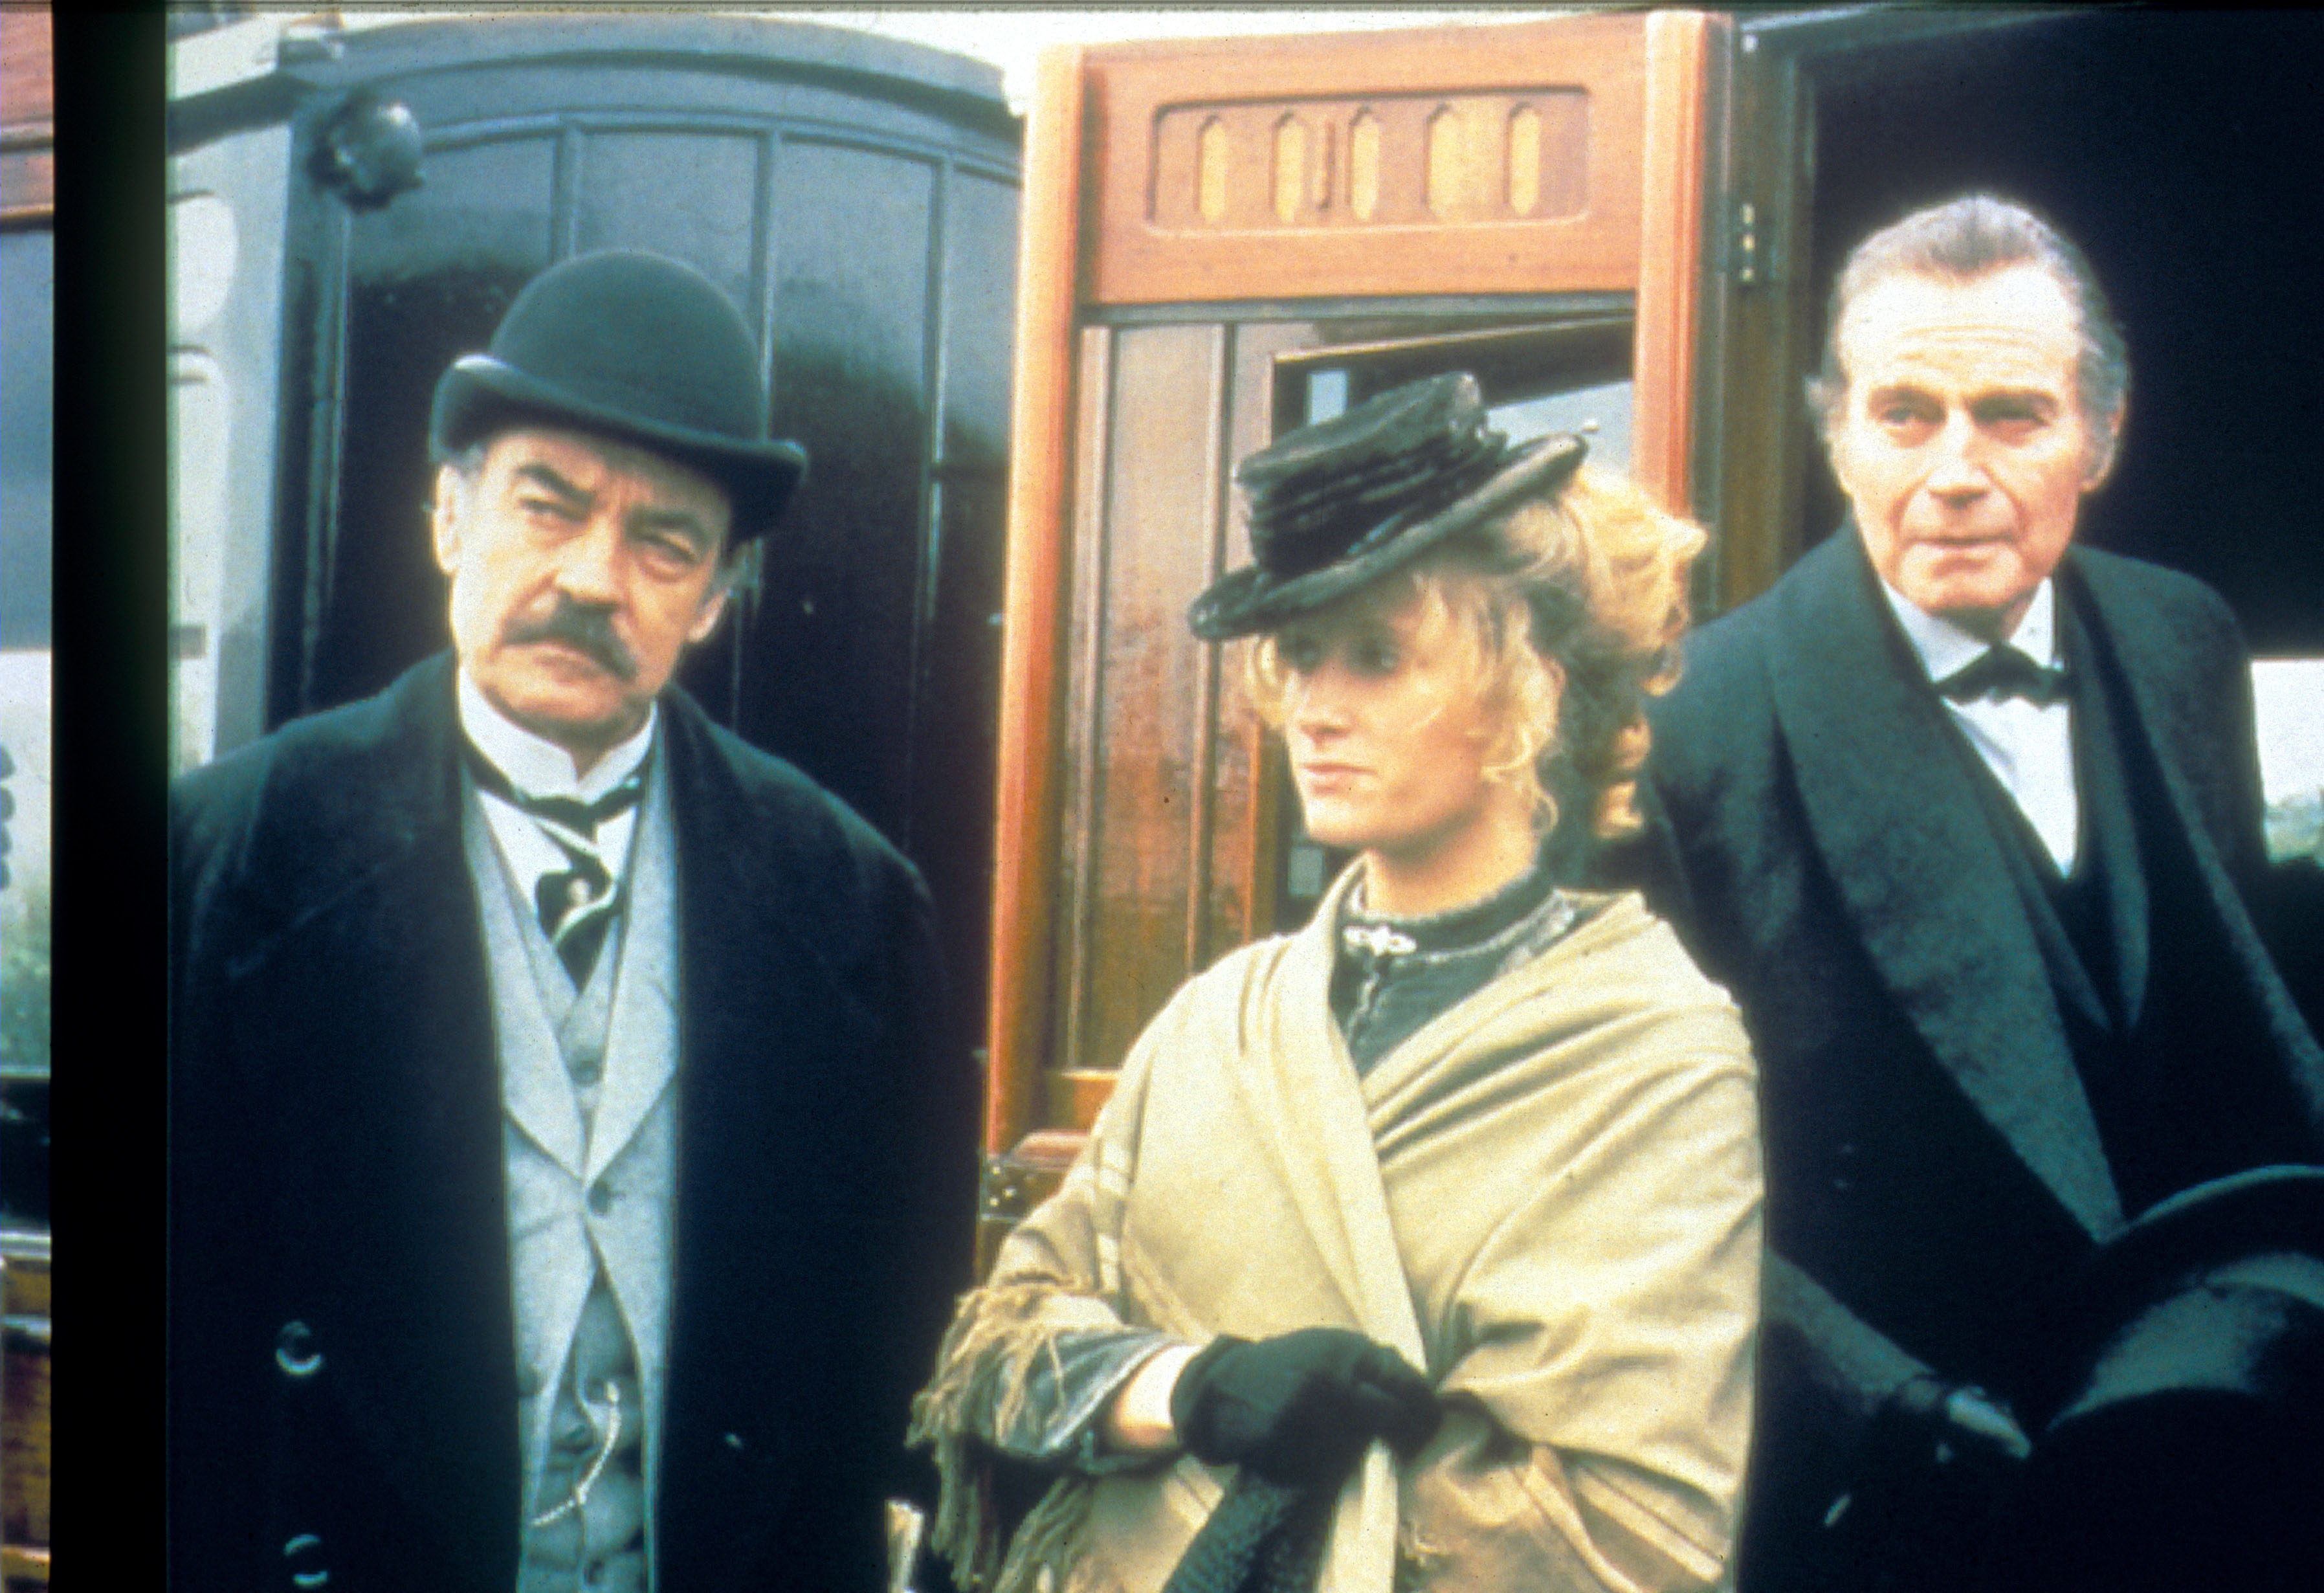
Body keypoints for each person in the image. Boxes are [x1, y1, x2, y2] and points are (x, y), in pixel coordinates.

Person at [169, 251, 979, 1592]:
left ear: (714, 596)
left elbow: (895, 1370)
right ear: (448, 519)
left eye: (662, 541)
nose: (594, 578)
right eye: (546, 507)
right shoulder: (224, 852)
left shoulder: (852, 901)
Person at [911, 373, 1762, 1593]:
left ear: (1530, 689)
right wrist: (1190, 1390)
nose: (1316, 707)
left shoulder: (1653, 1055)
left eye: (1378, 655)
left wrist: (1253, 1503)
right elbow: (997, 1346)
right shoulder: (1222, 1017)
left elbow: (1623, 1533)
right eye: (1303, 656)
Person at [1615, 194, 2324, 1590]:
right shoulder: (1689, 724)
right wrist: (1887, 1410)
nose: (1952, 469)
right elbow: (1641, 1196)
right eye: (1902, 413)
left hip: (2199, 1437)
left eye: (2010, 414)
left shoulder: (2182, 634)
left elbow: (2217, 1027)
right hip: (1908, 1491)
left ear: (2100, 439)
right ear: (1835, 433)